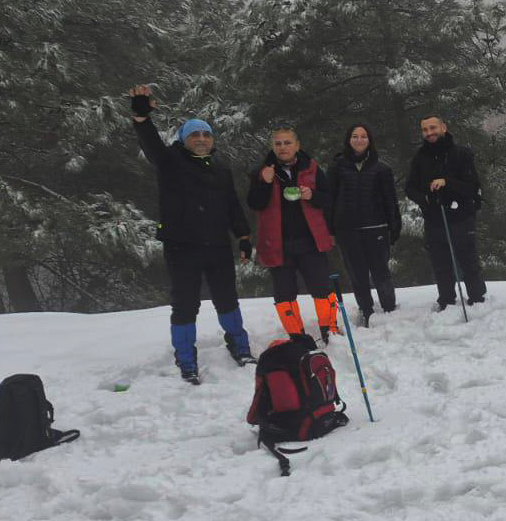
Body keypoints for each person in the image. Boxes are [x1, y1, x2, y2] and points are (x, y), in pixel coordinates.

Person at [127, 85, 254, 384]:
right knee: (185, 303)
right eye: (194, 135)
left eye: (205, 135)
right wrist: (141, 117)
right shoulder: (170, 162)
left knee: (227, 298)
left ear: (211, 140)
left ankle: (240, 345)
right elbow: (151, 144)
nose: (200, 139)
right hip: (182, 247)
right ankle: (186, 358)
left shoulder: (221, 170)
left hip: (218, 245)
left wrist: (244, 236)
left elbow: (233, 205)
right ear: (184, 140)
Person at [247, 126, 339, 343]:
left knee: (322, 288)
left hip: (310, 240)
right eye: (278, 143)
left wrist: (312, 195)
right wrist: (265, 183)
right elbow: (254, 203)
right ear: (272, 147)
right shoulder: (260, 171)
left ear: (297, 145)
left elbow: (328, 199)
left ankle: (330, 331)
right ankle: (297, 337)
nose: (282, 147)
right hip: (277, 243)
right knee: (284, 294)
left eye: (287, 142)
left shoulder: (312, 168)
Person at [404, 115, 485, 310]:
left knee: (469, 262)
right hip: (435, 218)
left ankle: (477, 299)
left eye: (433, 128)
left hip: (462, 216)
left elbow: (472, 186)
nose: (429, 133)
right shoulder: (420, 157)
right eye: (425, 130)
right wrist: (425, 199)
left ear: (444, 127)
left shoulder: (462, 153)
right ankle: (447, 301)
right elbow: (409, 188)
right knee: (441, 265)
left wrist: (447, 182)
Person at [328, 123, 402, 327]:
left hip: (376, 228)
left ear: (370, 140)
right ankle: (366, 310)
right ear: (348, 140)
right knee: (357, 273)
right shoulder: (337, 167)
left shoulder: (381, 168)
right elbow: (330, 199)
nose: (359, 140)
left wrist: (394, 225)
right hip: (347, 230)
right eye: (355, 136)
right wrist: (330, 229)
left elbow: (390, 200)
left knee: (381, 271)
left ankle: (389, 308)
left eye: (363, 136)